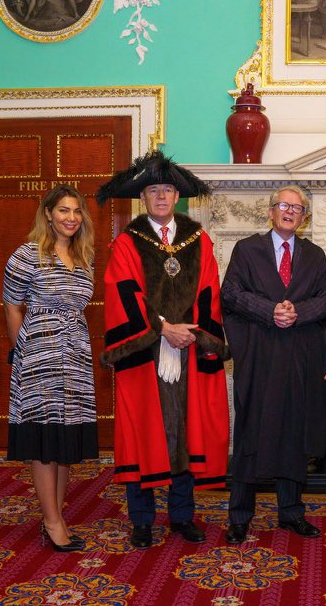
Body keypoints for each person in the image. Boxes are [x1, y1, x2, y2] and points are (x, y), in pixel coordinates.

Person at [97, 150, 229, 549]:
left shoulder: (198, 239)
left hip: (189, 347)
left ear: (177, 197)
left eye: (167, 190)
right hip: (145, 351)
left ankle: (182, 516)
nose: (161, 196)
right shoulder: (127, 243)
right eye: (153, 190)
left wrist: (191, 333)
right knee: (144, 430)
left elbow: (209, 289)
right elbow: (123, 292)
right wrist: (162, 329)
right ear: (143, 198)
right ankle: (141, 519)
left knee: (186, 431)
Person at [222, 186, 326, 544]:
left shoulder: (315, 255)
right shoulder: (246, 249)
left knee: (294, 433)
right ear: (271, 211)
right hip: (260, 355)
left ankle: (291, 513)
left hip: (301, 356)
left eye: (297, 208)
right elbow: (231, 294)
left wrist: (297, 312)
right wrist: (269, 310)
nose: (290, 212)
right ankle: (240, 515)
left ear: (305, 218)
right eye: (284, 206)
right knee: (251, 432)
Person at [2, 184, 98, 553]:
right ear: (48, 214)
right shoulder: (27, 255)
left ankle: (56, 515)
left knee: (65, 438)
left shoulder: (83, 255)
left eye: (76, 211)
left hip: (76, 355)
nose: (71, 218)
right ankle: (52, 520)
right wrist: (21, 350)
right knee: (44, 437)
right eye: (63, 211)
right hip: (40, 353)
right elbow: (11, 307)